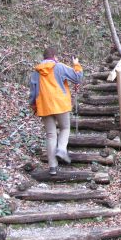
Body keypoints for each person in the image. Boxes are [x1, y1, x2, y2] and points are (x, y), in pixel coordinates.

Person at [29, 47, 83, 175]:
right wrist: (76, 64)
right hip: (60, 104)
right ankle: (61, 149)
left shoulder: (36, 72)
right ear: (54, 56)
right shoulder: (59, 67)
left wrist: (34, 107)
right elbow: (78, 77)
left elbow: (32, 94)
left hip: (44, 105)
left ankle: (53, 167)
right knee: (65, 128)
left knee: (51, 135)